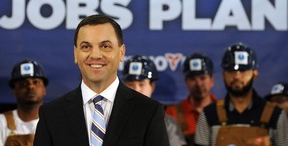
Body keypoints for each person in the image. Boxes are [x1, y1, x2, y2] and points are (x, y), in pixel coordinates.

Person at [33, 14, 170, 146]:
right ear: (75, 53)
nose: (95, 55)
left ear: (121, 52)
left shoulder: (149, 111)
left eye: (105, 46)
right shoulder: (51, 115)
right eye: (86, 47)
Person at [194, 42, 288, 146]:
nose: (237, 76)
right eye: (231, 71)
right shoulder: (209, 114)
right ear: (223, 75)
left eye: (243, 71)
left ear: (255, 74)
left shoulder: (275, 115)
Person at [122, 55, 186, 146]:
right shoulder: (111, 116)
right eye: (130, 84)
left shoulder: (167, 123)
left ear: (152, 86)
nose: (136, 90)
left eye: (141, 84)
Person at [165, 53, 216, 146]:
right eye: (193, 79)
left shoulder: (223, 110)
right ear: (186, 81)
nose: (199, 84)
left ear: (212, 80)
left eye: (203, 78)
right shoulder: (172, 113)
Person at [0, 59, 48, 146]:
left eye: (36, 82)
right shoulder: (2, 122)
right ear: (14, 90)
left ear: (44, 89)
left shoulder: (56, 121)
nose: (30, 87)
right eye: (23, 83)